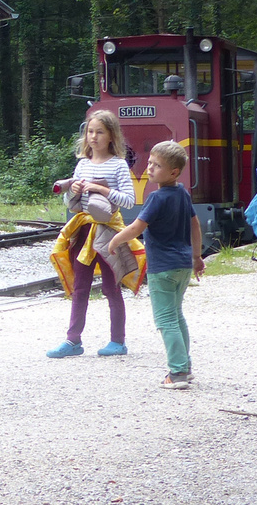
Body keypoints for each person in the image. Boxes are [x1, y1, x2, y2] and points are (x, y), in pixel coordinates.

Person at [108, 141, 206, 389]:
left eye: (157, 165)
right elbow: (195, 225)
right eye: (150, 162)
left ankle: (177, 373)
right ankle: (185, 365)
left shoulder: (156, 198)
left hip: (163, 268)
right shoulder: (183, 193)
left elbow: (137, 228)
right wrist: (196, 256)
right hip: (183, 265)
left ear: (173, 172)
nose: (150, 168)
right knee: (176, 316)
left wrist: (116, 239)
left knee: (165, 320)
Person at [47, 110, 141, 359]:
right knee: (80, 287)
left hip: (108, 233)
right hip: (83, 231)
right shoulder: (83, 164)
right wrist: (73, 191)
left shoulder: (119, 165)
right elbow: (72, 205)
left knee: (112, 287)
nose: (94, 137)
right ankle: (72, 340)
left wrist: (101, 189)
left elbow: (130, 201)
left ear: (111, 135)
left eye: (100, 132)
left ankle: (118, 341)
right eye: (90, 131)